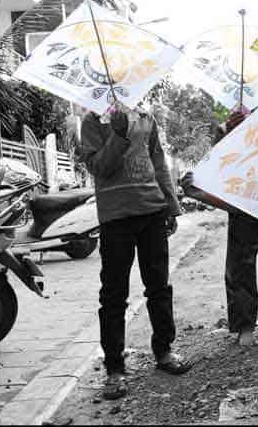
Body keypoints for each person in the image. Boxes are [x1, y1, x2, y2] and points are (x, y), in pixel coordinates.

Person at [80, 104, 192, 401]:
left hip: (152, 211)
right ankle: (115, 368)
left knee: (159, 286)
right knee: (114, 294)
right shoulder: (92, 121)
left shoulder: (146, 117)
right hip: (116, 217)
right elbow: (97, 167)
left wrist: (171, 205)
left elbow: (158, 162)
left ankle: (165, 350)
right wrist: (117, 135)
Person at [179, 111, 258, 346]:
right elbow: (217, 164)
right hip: (240, 204)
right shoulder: (227, 128)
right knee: (241, 268)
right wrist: (230, 131)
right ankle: (245, 326)